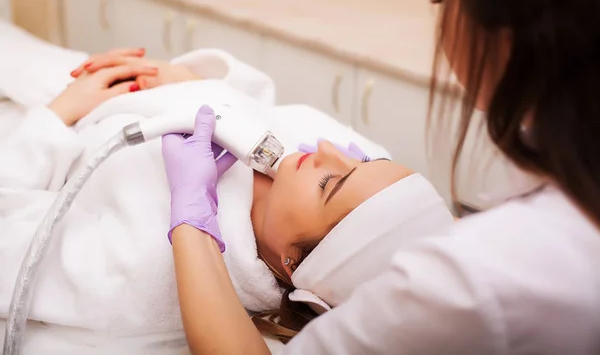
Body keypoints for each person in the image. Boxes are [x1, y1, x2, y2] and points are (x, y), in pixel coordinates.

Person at [161, 0, 600, 354]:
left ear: (507, 22)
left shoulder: (477, 278)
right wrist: (195, 84)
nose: (328, 148)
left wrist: (191, 219)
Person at [0, 42, 454, 353]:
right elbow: (260, 99)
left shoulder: (139, 267)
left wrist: (57, 114)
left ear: (294, 264)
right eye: (362, 161)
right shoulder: (299, 161)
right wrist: (185, 79)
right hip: (108, 87)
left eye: (329, 183)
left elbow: (12, 235)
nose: (328, 150)